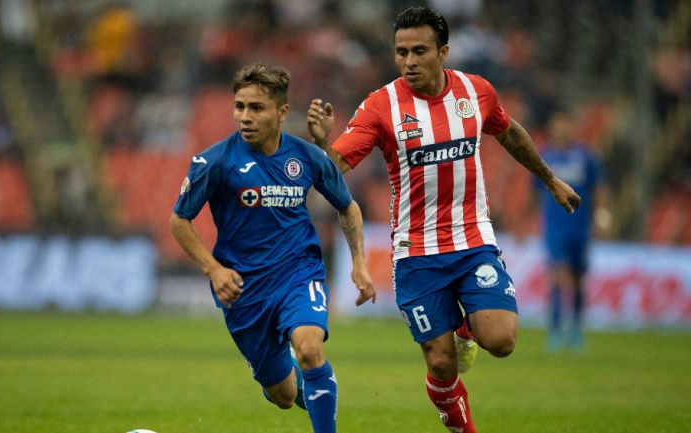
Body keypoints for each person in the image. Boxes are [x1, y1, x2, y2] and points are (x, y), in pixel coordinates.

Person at [306, 7, 580, 433]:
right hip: (415, 252)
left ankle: (467, 329)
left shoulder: (476, 92)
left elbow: (508, 131)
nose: (409, 62)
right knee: (439, 359)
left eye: (419, 51)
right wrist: (322, 145)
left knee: (502, 340)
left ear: (443, 52)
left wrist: (550, 180)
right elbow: (332, 167)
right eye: (401, 52)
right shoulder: (382, 106)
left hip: (472, 240)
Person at [169, 63, 376, 433]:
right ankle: (290, 376)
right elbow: (178, 220)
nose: (245, 117)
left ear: (282, 113)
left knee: (311, 347)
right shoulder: (213, 162)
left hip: (298, 272)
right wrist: (214, 270)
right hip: (244, 290)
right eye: (239, 107)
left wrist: (358, 264)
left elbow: (348, 206)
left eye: (256, 108)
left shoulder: (307, 157)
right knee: (282, 394)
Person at [538, 109, 610, 352]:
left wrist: (602, 216)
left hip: (580, 228)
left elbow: (599, 189)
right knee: (557, 277)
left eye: (565, 125)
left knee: (578, 280)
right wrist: (522, 221)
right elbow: (533, 191)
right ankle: (556, 331)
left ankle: (577, 329)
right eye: (557, 126)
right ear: (552, 129)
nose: (561, 131)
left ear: (572, 128)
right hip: (555, 228)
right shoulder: (544, 157)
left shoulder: (587, 157)